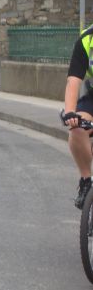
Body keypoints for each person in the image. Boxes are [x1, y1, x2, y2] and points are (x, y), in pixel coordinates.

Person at [63, 24, 93, 209]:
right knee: (77, 127)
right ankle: (86, 180)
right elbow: (73, 80)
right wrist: (69, 112)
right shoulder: (86, 39)